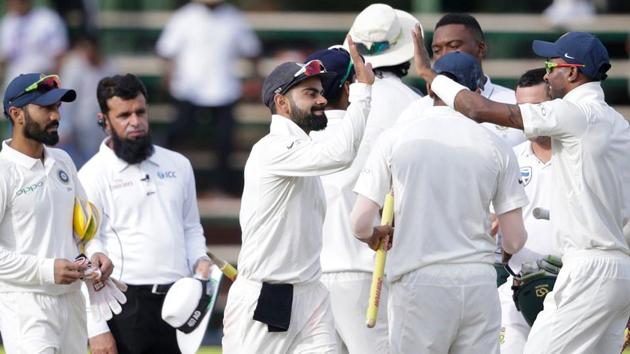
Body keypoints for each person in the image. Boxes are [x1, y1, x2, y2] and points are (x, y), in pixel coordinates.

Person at [412, 28, 630, 354]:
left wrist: (431, 74)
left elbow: (478, 109)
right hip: (620, 272)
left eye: (550, 66)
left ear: (572, 71)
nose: (546, 73)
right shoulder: (618, 123)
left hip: (589, 268)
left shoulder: (573, 113)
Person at [351, 51, 528, 354]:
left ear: (431, 88)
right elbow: (515, 238)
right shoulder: (497, 145)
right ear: (475, 92)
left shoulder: (396, 137)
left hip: (418, 281)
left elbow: (359, 223)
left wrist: (374, 235)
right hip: (478, 282)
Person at [221, 37, 374, 353]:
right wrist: (362, 91)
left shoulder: (303, 151)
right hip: (267, 297)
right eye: (310, 93)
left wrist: (371, 231)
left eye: (320, 92)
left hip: (311, 294)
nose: (321, 100)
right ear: (281, 103)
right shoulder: (272, 149)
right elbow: (342, 153)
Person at [79, 73, 212, 354]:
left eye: (140, 112)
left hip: (180, 300)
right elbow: (88, 247)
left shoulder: (179, 164)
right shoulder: (91, 175)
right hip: (127, 305)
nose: (135, 122)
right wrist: (97, 328)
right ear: (104, 120)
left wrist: (199, 260)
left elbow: (191, 227)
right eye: (124, 115)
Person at [0, 72, 113, 353]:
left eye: (57, 108)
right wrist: (46, 270)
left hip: (72, 302)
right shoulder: (4, 172)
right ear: (17, 114)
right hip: (25, 304)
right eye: (46, 108)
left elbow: (84, 230)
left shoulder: (63, 161)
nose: (56, 116)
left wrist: (96, 253)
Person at [307, 46, 390, 354]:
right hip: (361, 274)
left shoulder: (293, 143)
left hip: (311, 279)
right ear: (347, 86)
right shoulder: (375, 138)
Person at [156, 0, 261, 195]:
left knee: (224, 142)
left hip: (224, 90)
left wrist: (254, 78)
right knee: (176, 136)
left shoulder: (234, 18)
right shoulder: (184, 17)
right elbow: (166, 51)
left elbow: (252, 51)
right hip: (188, 90)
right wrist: (168, 77)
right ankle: (163, 179)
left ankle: (219, 188)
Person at [499, 68, 561, 354]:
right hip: (518, 285)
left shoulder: (580, 154)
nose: (529, 118)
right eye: (521, 109)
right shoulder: (510, 158)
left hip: (571, 286)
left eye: (537, 108)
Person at [398, 13, 525, 147]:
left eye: (454, 46)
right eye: (437, 50)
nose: (445, 55)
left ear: (480, 49)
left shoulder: (513, 102)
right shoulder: (416, 111)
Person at [58, 34, 115, 167]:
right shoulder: (73, 67)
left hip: (102, 125)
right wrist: (64, 127)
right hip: (79, 127)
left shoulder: (110, 67)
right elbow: (66, 100)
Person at [0, 0, 68, 89]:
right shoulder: (7, 22)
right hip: (15, 80)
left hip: (43, 77)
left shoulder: (48, 18)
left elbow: (60, 54)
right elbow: (3, 58)